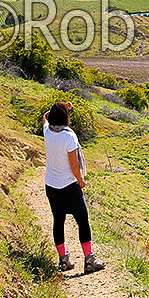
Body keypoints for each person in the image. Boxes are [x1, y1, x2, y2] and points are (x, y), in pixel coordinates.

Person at [43, 102, 104, 274]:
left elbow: (45, 118)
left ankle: (63, 260)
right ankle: (89, 260)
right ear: (65, 118)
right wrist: (81, 181)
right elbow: (74, 165)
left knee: (58, 220)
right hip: (69, 186)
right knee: (82, 221)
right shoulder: (69, 137)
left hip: (51, 186)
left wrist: (58, 111)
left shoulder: (47, 131)